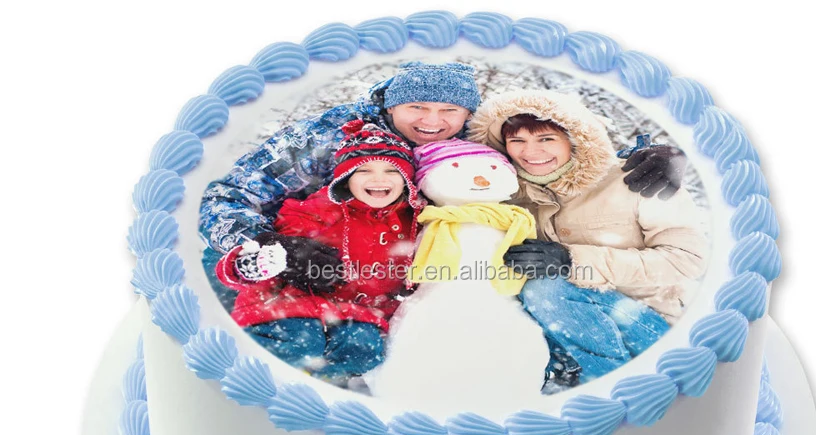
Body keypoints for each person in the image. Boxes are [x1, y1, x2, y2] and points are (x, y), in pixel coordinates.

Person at [199, 62, 686, 308]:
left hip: (417, 278)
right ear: (391, 105)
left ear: (467, 114)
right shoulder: (330, 136)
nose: (432, 122)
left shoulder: (472, 140)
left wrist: (650, 155)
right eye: (417, 108)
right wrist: (267, 244)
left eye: (449, 110)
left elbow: (555, 153)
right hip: (315, 264)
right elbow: (229, 196)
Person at [468, 90, 709, 386]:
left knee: (546, 290)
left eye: (546, 139)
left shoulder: (638, 179)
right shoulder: (508, 194)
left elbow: (686, 261)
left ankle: (614, 388)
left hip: (648, 325)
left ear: (574, 139)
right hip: (563, 336)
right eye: (517, 141)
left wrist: (572, 261)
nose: (531, 152)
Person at [215, 121, 425, 386]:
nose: (379, 179)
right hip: (288, 306)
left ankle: (328, 394)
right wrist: (252, 263)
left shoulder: (412, 222)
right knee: (300, 342)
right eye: (364, 170)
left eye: (392, 171)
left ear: (406, 179)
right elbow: (266, 250)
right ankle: (254, 385)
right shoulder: (317, 211)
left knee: (364, 349)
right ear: (345, 178)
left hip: (359, 316)